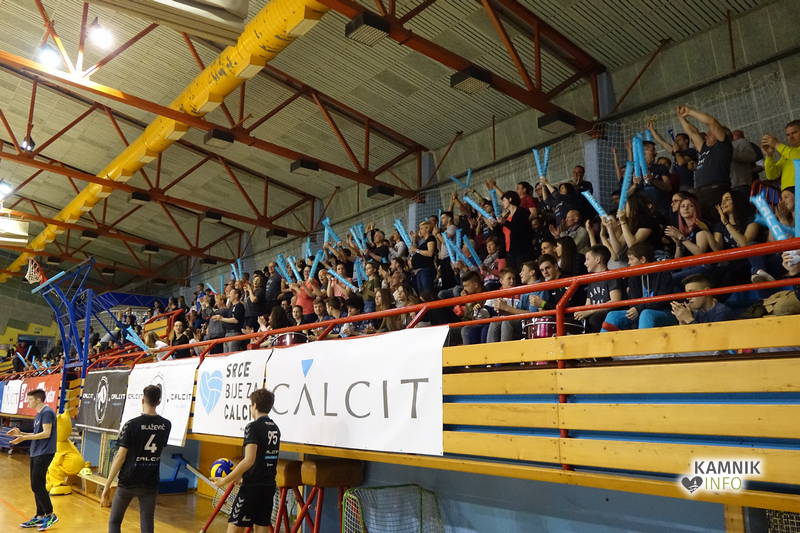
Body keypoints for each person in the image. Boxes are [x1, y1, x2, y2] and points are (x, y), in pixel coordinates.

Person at [102, 385, 171, 533]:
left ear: (142, 400)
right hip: (150, 481)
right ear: (159, 402)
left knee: (114, 522)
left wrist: (107, 484)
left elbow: (120, 456)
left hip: (128, 480)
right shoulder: (166, 425)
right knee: (147, 525)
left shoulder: (131, 424)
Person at [213, 389, 280, 533]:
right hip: (268, 486)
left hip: (252, 487)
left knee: (234, 527)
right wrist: (242, 476)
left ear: (254, 405)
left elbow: (249, 460)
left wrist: (225, 480)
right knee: (261, 525)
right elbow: (263, 459)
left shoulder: (253, 427)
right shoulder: (275, 428)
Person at [9, 389, 58, 531]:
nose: (27, 402)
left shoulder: (47, 412)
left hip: (45, 452)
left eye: (30, 399)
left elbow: (46, 433)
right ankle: (40, 516)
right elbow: (37, 433)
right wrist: (21, 433)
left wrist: (24, 438)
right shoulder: (38, 415)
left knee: (37, 485)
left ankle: (50, 515)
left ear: (38, 400)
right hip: (36, 452)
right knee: (36, 485)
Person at [601, 243, 677, 331]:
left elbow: (662, 301)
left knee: (646, 314)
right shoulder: (634, 277)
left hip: (664, 312)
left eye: (631, 259)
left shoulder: (662, 273)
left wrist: (639, 309)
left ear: (642, 259)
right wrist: (637, 310)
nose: (629, 263)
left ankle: (642, 340)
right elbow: (633, 303)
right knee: (612, 315)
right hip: (640, 311)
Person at [677, 105, 733, 220]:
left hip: (717, 191)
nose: (706, 136)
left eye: (710, 133)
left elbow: (711, 122)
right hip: (701, 194)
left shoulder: (723, 145)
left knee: (723, 223)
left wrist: (690, 111)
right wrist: (681, 118)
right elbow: (692, 132)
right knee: (707, 225)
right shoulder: (704, 149)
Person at [574, 245, 623, 332]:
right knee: (574, 321)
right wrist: (580, 313)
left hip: (609, 315)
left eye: (587, 259)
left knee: (594, 319)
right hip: (595, 314)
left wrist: (590, 312)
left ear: (597, 260)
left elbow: (615, 301)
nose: (585, 263)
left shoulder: (612, 276)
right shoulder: (592, 280)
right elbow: (587, 305)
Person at [670, 274, 737, 325]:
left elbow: (713, 337)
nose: (688, 298)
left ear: (707, 291)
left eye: (692, 292)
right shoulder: (697, 313)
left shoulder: (722, 312)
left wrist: (689, 319)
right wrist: (682, 320)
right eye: (687, 294)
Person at [762, 120, 800, 191]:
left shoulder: (790, 153)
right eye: (788, 135)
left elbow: (797, 157)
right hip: (788, 193)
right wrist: (769, 155)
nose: (790, 137)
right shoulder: (786, 154)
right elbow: (772, 175)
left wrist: (776, 144)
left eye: (794, 133)